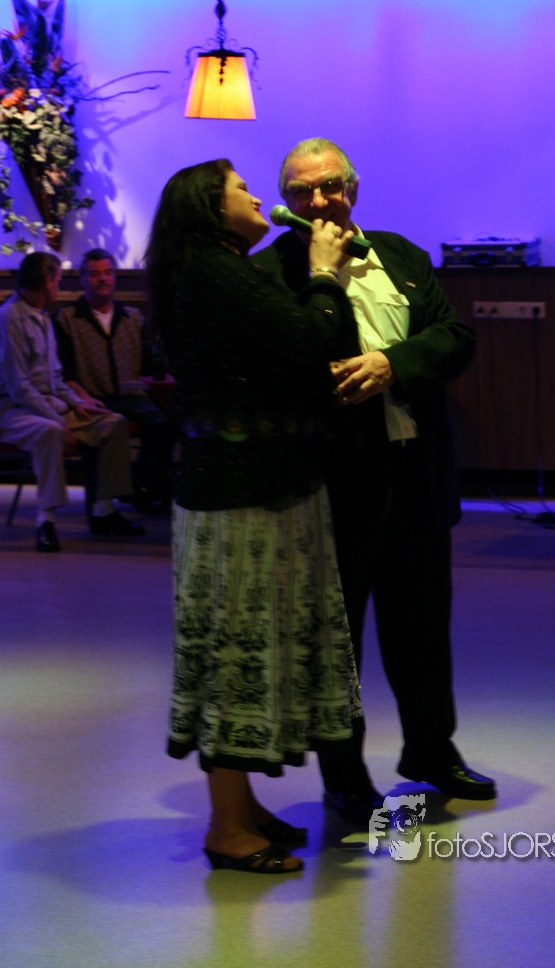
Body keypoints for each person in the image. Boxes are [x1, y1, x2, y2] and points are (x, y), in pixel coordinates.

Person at [253, 137, 497, 822]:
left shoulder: (401, 255)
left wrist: (391, 365)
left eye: (330, 185)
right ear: (287, 202)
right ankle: (345, 776)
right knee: (337, 640)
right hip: (331, 479)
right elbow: (271, 368)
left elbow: (455, 338)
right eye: (301, 191)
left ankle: (431, 751)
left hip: (416, 470)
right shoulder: (269, 273)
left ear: (353, 189)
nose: (318, 201)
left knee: (423, 626)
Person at [145, 159, 363, 875]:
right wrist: (325, 274)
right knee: (235, 649)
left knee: (251, 642)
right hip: (240, 492)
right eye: (241, 189)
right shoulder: (215, 272)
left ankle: (241, 808)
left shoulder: (218, 271)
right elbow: (315, 343)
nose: (258, 198)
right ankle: (226, 829)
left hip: (254, 483)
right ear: (210, 208)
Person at [0, 252, 144, 552]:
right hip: (11, 410)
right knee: (51, 431)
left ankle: (104, 509)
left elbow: (55, 377)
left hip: (46, 405)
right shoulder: (10, 319)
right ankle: (45, 521)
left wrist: (77, 402)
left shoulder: (44, 317)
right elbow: (19, 389)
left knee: (113, 423)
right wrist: (60, 419)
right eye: (58, 279)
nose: (59, 285)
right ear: (47, 281)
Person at [54, 248, 177, 512]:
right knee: (104, 430)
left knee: (164, 423)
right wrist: (81, 398)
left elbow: (150, 363)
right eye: (95, 274)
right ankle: (111, 498)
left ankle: (140, 484)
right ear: (83, 279)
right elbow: (64, 370)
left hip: (130, 396)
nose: (103, 279)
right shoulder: (67, 319)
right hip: (90, 398)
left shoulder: (132, 317)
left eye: (108, 273)